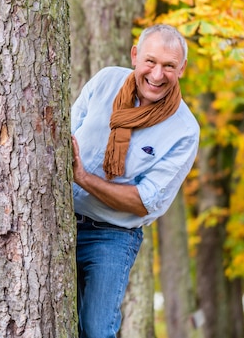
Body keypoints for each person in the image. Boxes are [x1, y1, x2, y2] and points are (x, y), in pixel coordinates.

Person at [71, 24, 200, 338]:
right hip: (59, 222)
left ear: (181, 69)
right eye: (151, 62)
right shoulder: (105, 82)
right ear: (134, 56)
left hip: (112, 236)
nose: (157, 75)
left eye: (169, 66)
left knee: (98, 329)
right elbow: (67, 136)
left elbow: (145, 201)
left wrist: (84, 179)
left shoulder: (184, 130)